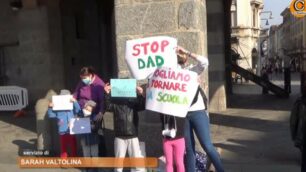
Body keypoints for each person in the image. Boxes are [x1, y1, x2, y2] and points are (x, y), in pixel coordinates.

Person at [176, 46, 225, 172]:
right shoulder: (173, 73)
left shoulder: (192, 71)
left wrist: (187, 51)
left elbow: (204, 62)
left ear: (186, 60)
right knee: (189, 148)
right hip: (183, 114)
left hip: (197, 112)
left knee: (207, 146)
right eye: (178, 58)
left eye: (182, 58)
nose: (180, 60)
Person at [104, 82, 145, 172]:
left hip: (133, 136)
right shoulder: (115, 105)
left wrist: (140, 94)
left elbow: (142, 106)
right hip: (119, 136)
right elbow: (107, 106)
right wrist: (107, 94)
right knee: (118, 165)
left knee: (137, 164)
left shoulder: (133, 104)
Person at [73, 66, 107, 157]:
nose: (83, 80)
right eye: (81, 78)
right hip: (81, 113)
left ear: (91, 75)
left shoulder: (99, 84)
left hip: (94, 115)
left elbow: (103, 100)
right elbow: (75, 94)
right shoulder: (81, 82)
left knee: (94, 141)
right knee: (83, 140)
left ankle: (95, 164)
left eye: (84, 78)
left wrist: (101, 112)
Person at [47, 89, 80, 158]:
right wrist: (50, 107)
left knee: (73, 145)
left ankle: (74, 159)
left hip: (72, 128)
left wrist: (75, 102)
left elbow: (78, 111)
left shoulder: (72, 105)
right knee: (63, 146)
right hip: (62, 129)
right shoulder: (57, 106)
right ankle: (64, 160)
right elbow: (51, 115)